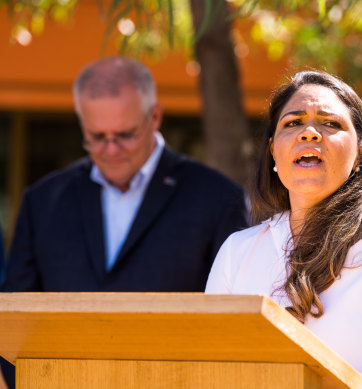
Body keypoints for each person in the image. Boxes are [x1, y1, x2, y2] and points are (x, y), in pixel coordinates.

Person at [0, 57, 247, 387]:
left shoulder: (216, 197)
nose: (111, 150)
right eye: (97, 137)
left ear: (154, 116)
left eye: (126, 135)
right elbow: (15, 320)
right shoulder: (44, 201)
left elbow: (236, 325)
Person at [205, 70, 362, 388]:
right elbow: (210, 366)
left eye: (330, 123)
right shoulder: (238, 251)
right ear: (273, 150)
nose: (309, 133)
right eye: (292, 123)